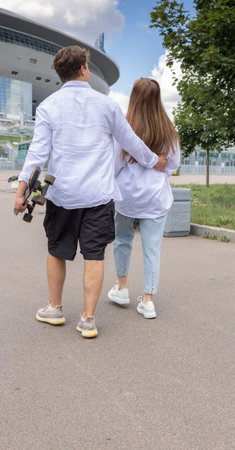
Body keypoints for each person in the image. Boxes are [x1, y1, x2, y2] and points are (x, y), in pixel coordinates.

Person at [14, 47, 167, 338]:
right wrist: (153, 162)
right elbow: (131, 143)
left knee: (56, 251)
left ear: (60, 74)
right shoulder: (106, 106)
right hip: (98, 197)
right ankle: (88, 319)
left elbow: (37, 154)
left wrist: (21, 191)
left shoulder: (48, 106)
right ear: (84, 69)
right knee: (94, 255)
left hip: (62, 195)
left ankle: (55, 308)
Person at [108, 78, 180, 318]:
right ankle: (148, 300)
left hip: (127, 196)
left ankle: (122, 288)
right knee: (152, 249)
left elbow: (115, 164)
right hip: (155, 198)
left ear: (133, 98)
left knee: (122, 241)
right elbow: (172, 166)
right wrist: (155, 166)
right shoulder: (168, 130)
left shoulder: (124, 128)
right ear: (158, 98)